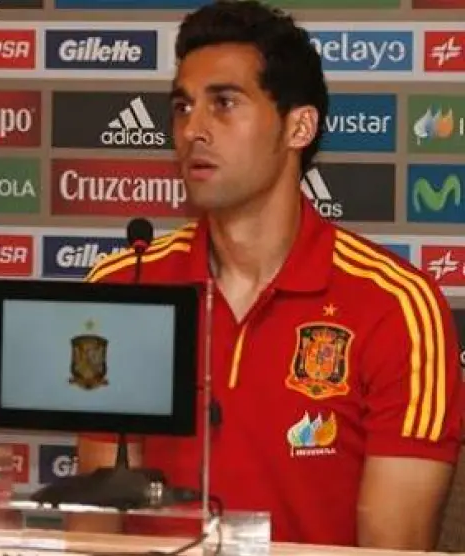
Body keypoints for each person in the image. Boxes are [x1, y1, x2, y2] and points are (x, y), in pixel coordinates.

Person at [76, 0, 461, 550]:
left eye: (224, 103)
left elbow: (392, 546)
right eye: (183, 107)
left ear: (299, 126)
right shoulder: (126, 287)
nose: (193, 130)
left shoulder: (395, 305)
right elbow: (99, 525)